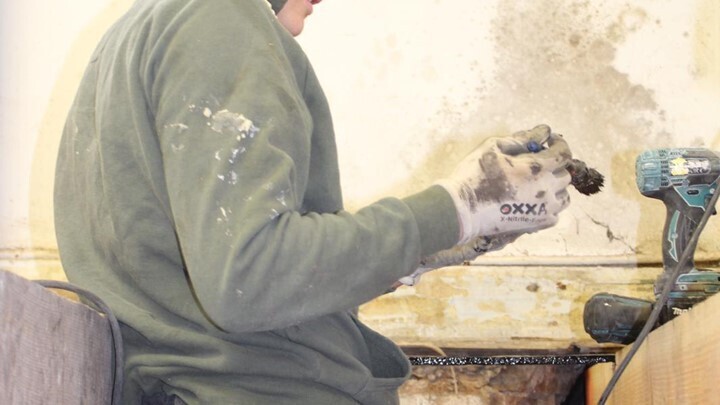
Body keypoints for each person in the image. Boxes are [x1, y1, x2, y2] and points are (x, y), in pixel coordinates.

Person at [53, 0, 572, 403]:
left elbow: (238, 279)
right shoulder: (218, 19)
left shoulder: (136, 36)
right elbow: (248, 279)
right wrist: (455, 207)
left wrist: (425, 247)